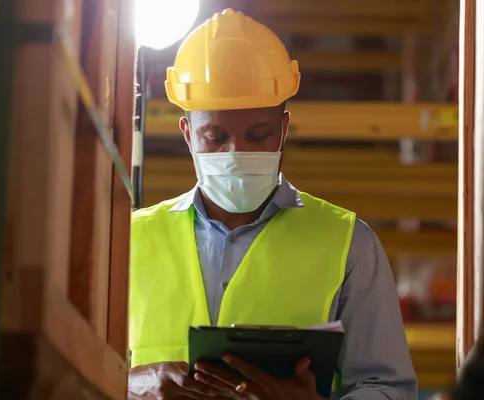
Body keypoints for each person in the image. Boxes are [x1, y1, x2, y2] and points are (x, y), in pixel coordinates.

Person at [128, 8, 417, 400]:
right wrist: (132, 385)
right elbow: (74, 366)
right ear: (187, 133)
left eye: (258, 135)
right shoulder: (128, 241)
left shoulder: (349, 245)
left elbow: (388, 388)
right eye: (214, 137)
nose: (236, 152)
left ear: (283, 128)